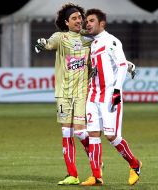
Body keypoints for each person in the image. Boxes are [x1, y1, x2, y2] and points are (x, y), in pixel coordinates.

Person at [80, 9, 142, 186]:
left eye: (92, 21)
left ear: (102, 24)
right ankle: (96, 176)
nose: (88, 24)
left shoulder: (111, 41)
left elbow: (122, 66)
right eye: (87, 21)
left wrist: (116, 90)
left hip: (109, 95)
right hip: (93, 94)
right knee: (92, 134)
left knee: (111, 135)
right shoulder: (92, 43)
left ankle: (135, 164)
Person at [34, 3, 92, 185]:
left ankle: (96, 160)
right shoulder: (60, 37)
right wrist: (42, 43)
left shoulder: (89, 40)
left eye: (79, 17)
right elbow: (49, 44)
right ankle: (72, 175)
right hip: (62, 93)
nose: (78, 20)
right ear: (66, 22)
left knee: (80, 131)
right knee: (67, 132)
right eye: (74, 18)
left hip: (81, 92)